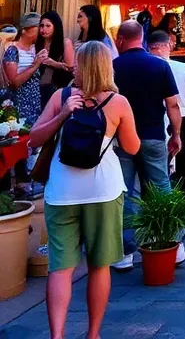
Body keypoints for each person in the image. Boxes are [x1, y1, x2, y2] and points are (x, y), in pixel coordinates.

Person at [29, 41, 140, 339]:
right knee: (99, 266)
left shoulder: (60, 97)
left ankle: (57, 335)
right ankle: (93, 334)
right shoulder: (118, 102)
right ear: (107, 66)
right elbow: (132, 147)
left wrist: (64, 113)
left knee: (60, 268)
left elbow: (34, 139)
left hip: (62, 192)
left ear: (81, 66)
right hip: (104, 192)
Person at [111, 20, 181, 272]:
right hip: (153, 135)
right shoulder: (159, 66)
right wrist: (176, 134)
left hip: (122, 139)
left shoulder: (113, 67)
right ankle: (170, 240)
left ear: (120, 40)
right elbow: (172, 104)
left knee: (126, 191)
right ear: (141, 38)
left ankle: (126, 250)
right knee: (161, 186)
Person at [147, 30, 185, 223]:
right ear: (167, 46)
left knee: (158, 165)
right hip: (182, 117)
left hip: (155, 118)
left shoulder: (146, 68)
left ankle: (160, 206)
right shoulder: (182, 68)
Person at [3, 13, 45, 125]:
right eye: (38, 27)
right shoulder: (13, 50)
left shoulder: (35, 49)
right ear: (24, 30)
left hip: (35, 104)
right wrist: (35, 66)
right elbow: (15, 82)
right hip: (20, 105)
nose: (41, 30)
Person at [37, 10, 75, 108]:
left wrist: (53, 63)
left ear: (56, 26)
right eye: (41, 25)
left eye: (48, 26)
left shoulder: (65, 43)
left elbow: (71, 67)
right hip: (38, 88)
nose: (44, 29)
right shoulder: (37, 43)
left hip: (58, 87)